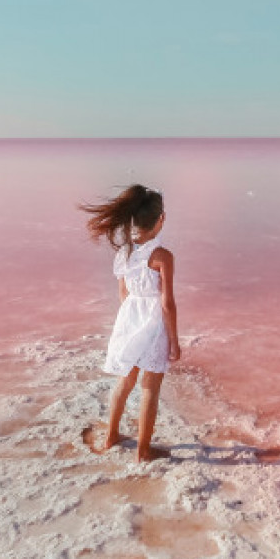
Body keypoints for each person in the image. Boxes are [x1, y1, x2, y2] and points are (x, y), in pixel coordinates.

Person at [77, 183, 181, 463]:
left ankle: (111, 435)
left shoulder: (123, 253)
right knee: (150, 386)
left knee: (126, 380)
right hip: (154, 322)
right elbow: (167, 303)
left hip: (129, 317)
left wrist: (128, 321)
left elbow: (123, 293)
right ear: (161, 219)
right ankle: (143, 451)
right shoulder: (162, 256)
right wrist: (174, 341)